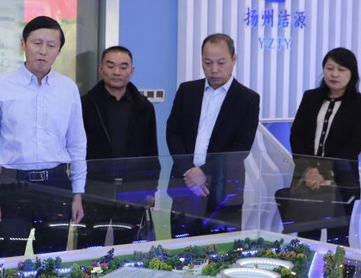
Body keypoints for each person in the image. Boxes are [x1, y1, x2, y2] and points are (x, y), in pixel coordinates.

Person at [0, 15, 86, 257]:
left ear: (58, 50)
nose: (43, 51)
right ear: (23, 44)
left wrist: (78, 192)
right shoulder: (0, 88)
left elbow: (77, 144)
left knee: (52, 261)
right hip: (13, 185)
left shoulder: (68, 89)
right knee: (6, 260)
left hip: (56, 185)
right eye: (37, 43)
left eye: (51, 45)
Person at [166, 33, 259, 237]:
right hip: (185, 184)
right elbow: (173, 132)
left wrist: (203, 172)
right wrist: (189, 170)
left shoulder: (248, 99)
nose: (214, 69)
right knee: (181, 247)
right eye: (208, 63)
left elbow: (241, 147)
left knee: (221, 249)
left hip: (224, 189)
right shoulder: (187, 91)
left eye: (221, 63)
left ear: (233, 59)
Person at [283, 48, 361, 246]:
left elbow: (354, 145)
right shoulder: (310, 97)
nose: (334, 74)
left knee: (337, 239)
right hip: (307, 179)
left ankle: (337, 269)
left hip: (341, 180)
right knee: (306, 237)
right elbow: (296, 135)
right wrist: (309, 170)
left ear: (352, 73)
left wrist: (322, 172)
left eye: (341, 69)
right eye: (330, 68)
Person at [78, 46, 159, 247]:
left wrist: (150, 190)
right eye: (110, 66)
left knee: (128, 249)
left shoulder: (144, 107)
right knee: (89, 247)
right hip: (95, 189)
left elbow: (151, 152)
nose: (116, 72)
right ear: (101, 69)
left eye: (123, 67)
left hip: (132, 191)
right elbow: (76, 149)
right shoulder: (85, 104)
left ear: (131, 71)